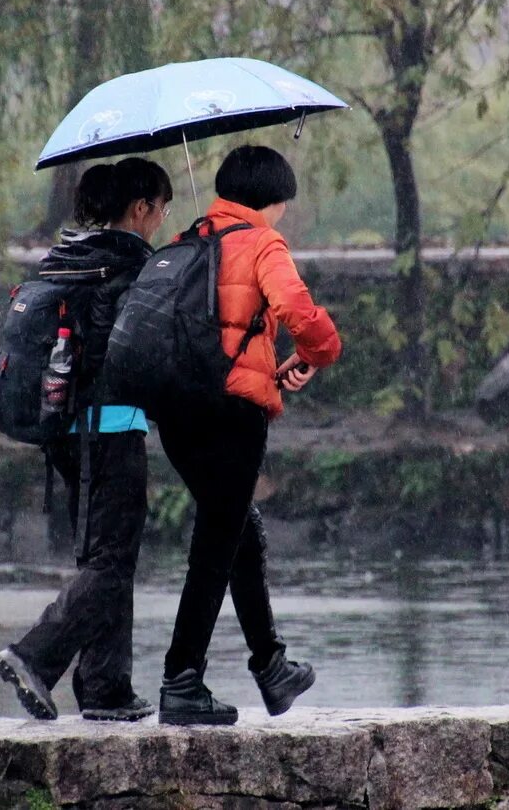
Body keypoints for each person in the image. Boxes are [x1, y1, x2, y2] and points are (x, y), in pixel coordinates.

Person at [155, 144, 342, 726]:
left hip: (177, 412)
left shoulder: (189, 240)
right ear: (271, 198)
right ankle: (181, 679)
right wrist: (320, 352)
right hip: (231, 415)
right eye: (283, 201)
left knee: (238, 531)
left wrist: (272, 359)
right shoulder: (262, 242)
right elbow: (297, 309)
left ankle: (271, 666)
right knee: (216, 545)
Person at [0, 157, 173, 722]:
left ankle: (104, 688)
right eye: (161, 210)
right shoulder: (133, 268)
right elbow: (142, 354)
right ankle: (33, 655)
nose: (162, 222)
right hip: (113, 430)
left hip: (65, 432)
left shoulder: (67, 259)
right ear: (140, 207)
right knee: (113, 561)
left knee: (104, 558)